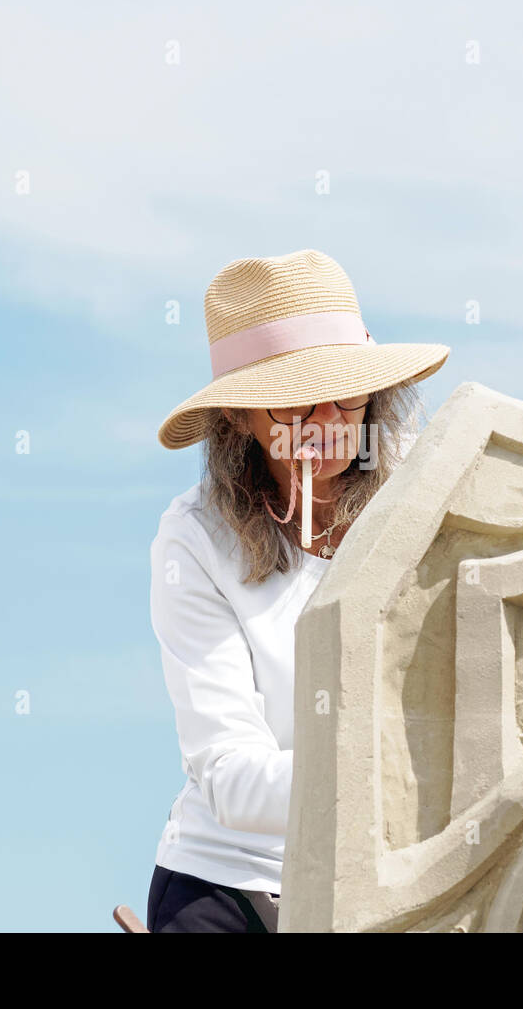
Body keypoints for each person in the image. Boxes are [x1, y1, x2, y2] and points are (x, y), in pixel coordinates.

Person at [145, 249, 450, 932]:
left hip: (390, 875)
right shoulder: (193, 541)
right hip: (229, 887)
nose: (324, 421)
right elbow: (229, 775)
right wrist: (389, 772)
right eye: (293, 400)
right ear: (239, 419)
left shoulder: (426, 505)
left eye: (345, 392)